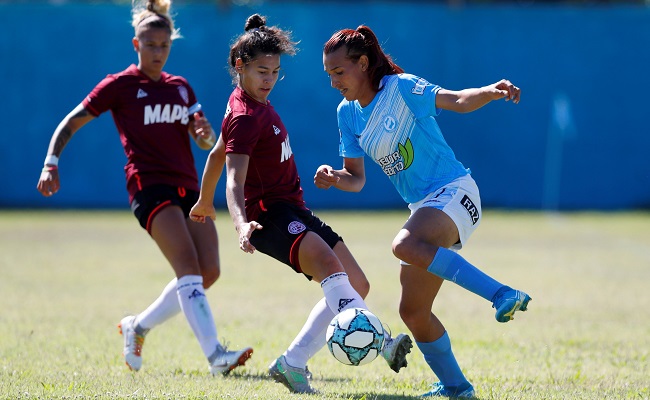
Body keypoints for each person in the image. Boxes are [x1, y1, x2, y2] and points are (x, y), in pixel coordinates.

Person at [189, 14, 412, 394]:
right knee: (330, 268)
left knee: (356, 283)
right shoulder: (244, 115)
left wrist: (202, 200)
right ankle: (384, 341)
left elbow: (214, 155)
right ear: (239, 67)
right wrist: (239, 222)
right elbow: (234, 179)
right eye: (262, 71)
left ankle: (291, 364)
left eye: (275, 71)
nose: (269, 79)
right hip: (268, 217)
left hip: (294, 210)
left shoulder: (247, 103)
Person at [36, 0, 252, 377]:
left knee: (208, 272)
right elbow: (71, 122)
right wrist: (51, 162)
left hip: (189, 187)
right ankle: (217, 356)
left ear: (171, 45)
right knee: (187, 267)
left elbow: (203, 138)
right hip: (149, 186)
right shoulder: (120, 86)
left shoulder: (180, 87)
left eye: (164, 45)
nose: (157, 52)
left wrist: (204, 136)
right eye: (150, 45)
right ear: (136, 45)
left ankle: (138, 326)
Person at [317, 26, 532, 398]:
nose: (334, 82)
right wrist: (335, 177)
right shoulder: (347, 114)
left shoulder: (400, 89)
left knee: (404, 243)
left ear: (363, 63)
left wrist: (490, 91)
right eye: (329, 75)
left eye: (339, 72)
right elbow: (356, 178)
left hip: (455, 192)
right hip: (424, 207)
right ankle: (457, 388)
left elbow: (459, 100)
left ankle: (502, 294)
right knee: (413, 313)